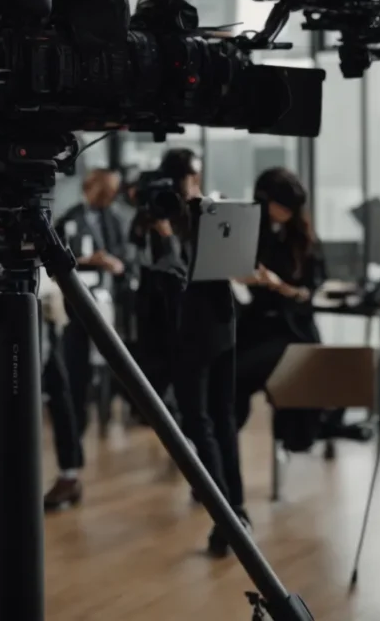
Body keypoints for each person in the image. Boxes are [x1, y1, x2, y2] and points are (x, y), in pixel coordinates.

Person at [132, 149, 246, 557]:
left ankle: (226, 520)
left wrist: (162, 236)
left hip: (192, 332)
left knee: (201, 423)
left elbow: (173, 276)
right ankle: (238, 511)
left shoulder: (181, 219)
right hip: (222, 325)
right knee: (222, 420)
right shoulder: (210, 211)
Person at [42, 167, 129, 510]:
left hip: (105, 305)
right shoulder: (68, 220)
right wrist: (82, 261)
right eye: (104, 191)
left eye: (113, 193)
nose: (109, 199)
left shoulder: (114, 219)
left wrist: (115, 264)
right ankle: (69, 466)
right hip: (69, 312)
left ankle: (70, 467)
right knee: (67, 384)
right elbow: (53, 264)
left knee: (79, 381)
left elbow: (125, 256)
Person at [234, 167, 327, 450]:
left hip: (292, 331)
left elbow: (309, 293)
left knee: (239, 376)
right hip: (255, 327)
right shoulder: (247, 234)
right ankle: (216, 459)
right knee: (227, 382)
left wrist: (279, 286)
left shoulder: (304, 240)